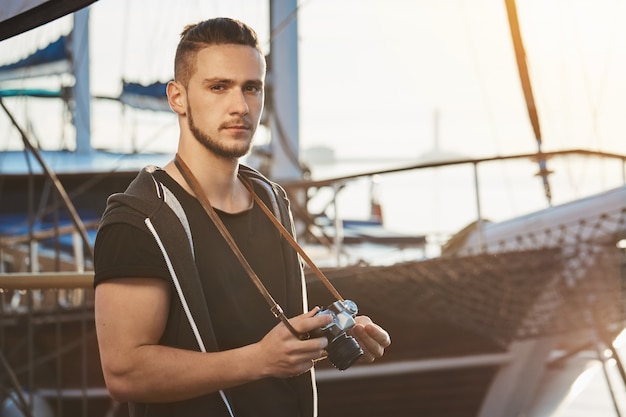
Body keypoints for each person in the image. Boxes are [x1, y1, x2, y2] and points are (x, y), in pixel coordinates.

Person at [93, 17, 390, 417]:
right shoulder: (139, 220)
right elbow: (124, 373)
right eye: (219, 87)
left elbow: (267, 338)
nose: (240, 106)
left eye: (252, 88)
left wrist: (332, 333)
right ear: (177, 98)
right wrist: (258, 360)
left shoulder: (271, 199)